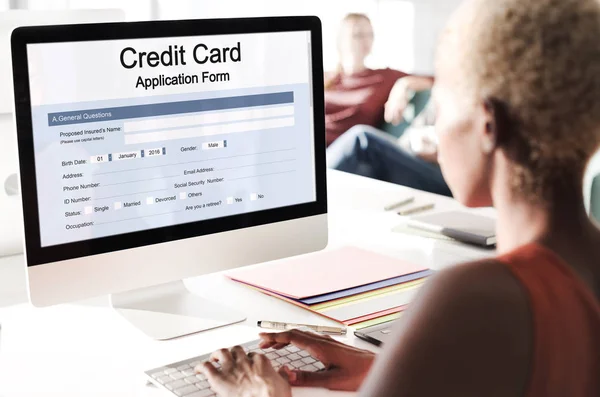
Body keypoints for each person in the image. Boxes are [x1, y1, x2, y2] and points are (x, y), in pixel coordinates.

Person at [196, 0, 600, 395]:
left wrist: (259, 392)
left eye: (440, 105)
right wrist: (389, 370)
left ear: (487, 124)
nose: (436, 128)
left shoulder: (475, 296)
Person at [324, 13, 451, 196]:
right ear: (341, 40)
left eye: (370, 34)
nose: (365, 40)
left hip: (349, 155)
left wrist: (404, 84)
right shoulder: (325, 78)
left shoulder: (383, 77)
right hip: (318, 155)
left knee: (362, 137)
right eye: (358, 34)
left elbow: (437, 80)